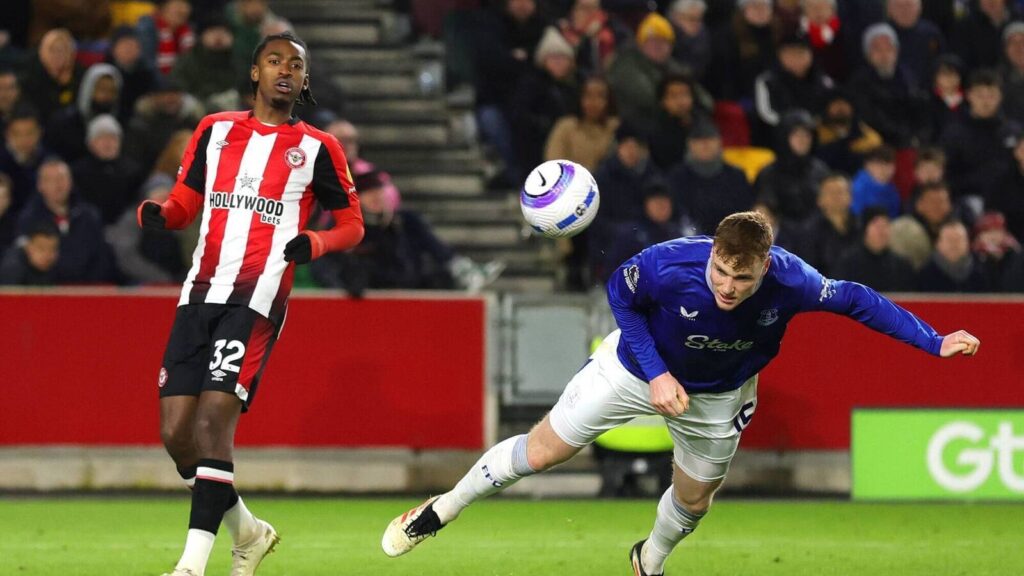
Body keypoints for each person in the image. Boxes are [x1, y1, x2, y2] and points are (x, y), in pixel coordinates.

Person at [380, 210, 979, 575]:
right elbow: (620, 294)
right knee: (542, 453)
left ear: (765, 267)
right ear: (713, 252)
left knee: (694, 503)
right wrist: (657, 372)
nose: (727, 285)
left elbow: (857, 299)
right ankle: (440, 509)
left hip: (718, 396)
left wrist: (933, 341)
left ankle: (650, 561)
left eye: (742, 278)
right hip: (633, 370)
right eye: (721, 270)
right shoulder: (670, 263)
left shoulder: (793, 280)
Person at [138, 32, 364, 576]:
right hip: (199, 293)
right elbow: (188, 199)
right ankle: (249, 533)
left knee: (215, 420)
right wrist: (164, 215)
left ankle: (190, 567)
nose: (284, 70)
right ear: (255, 73)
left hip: (257, 298)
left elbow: (352, 224)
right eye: (273, 60)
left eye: (295, 64)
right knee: (176, 436)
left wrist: (317, 242)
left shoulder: (318, 148)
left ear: (304, 81)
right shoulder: (214, 130)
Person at [0, 220, 60, 285]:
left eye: (53, 249)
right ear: (28, 247)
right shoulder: (13, 268)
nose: (47, 254)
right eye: (41, 248)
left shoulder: (54, 267)